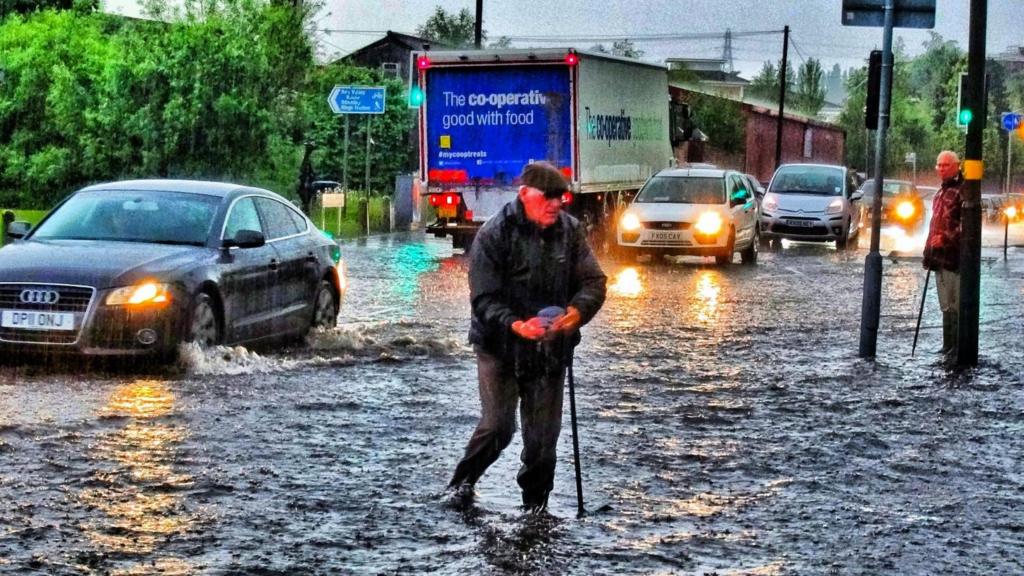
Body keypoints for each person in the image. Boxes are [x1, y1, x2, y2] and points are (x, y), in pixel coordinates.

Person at [447, 161, 607, 513]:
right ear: (524, 195)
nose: (555, 204)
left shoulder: (571, 231)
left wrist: (577, 312)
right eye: (547, 197)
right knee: (498, 427)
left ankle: (536, 510)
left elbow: (594, 283)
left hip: (550, 347)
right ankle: (459, 486)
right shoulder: (494, 234)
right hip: (499, 346)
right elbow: (483, 299)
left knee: (543, 445)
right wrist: (516, 325)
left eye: (560, 197)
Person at [922, 150, 964, 359]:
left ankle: (957, 346)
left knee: (955, 304)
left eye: (946, 165)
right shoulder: (940, 193)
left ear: (957, 166)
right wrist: (928, 251)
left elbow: (968, 226)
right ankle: (947, 345)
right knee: (945, 305)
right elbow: (934, 224)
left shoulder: (962, 191)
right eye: (939, 165)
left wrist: (946, 239)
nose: (941, 169)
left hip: (954, 258)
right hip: (938, 258)